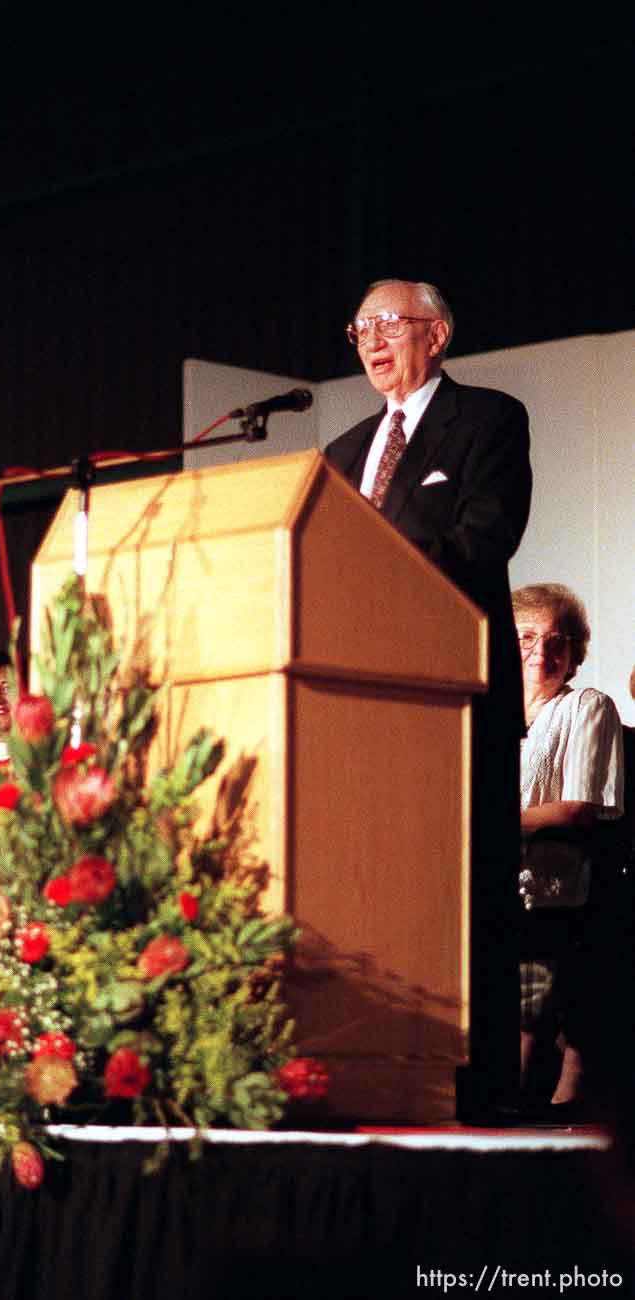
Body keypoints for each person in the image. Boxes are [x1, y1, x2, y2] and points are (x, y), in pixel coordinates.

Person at [325, 279, 533, 1117]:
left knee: (469, 888)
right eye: (360, 328)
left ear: (436, 334)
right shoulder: (340, 452)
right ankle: (377, 1071)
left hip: (457, 693)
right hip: (358, 709)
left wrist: (378, 573)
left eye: (390, 324)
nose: (374, 340)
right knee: (370, 880)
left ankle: (481, 1091)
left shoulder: (487, 419)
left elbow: (485, 536)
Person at [514, 584, 624, 1117]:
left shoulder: (586, 705)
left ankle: (527, 1103)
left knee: (529, 996)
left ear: (575, 654)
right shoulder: (480, 714)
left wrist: (495, 826)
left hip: (555, 888)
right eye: (527, 637)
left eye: (557, 641)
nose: (541, 651)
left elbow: (580, 808)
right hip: (479, 882)